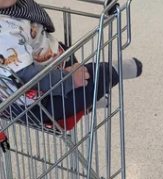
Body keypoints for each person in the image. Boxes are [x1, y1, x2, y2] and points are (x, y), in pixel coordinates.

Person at [0, 0, 142, 123]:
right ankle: (113, 70)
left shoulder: (13, 8)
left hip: (49, 63)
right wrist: (68, 80)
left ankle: (87, 101)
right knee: (89, 78)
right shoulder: (4, 34)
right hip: (38, 103)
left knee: (66, 52)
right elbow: (31, 78)